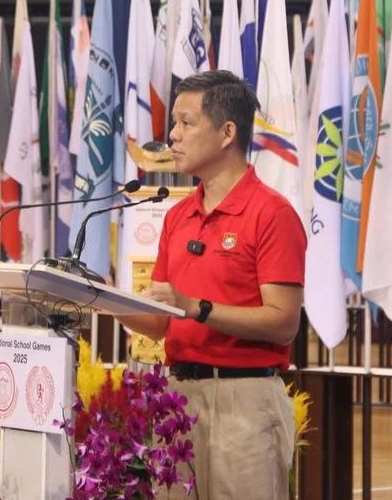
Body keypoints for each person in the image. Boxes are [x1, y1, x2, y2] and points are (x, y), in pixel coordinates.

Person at [119, 70, 306, 500]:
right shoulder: (177, 215)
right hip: (177, 396)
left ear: (227, 132)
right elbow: (160, 321)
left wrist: (197, 307)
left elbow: (283, 323)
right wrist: (96, 298)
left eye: (186, 123)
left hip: (244, 399)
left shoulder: (271, 213)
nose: (172, 136)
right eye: (174, 123)